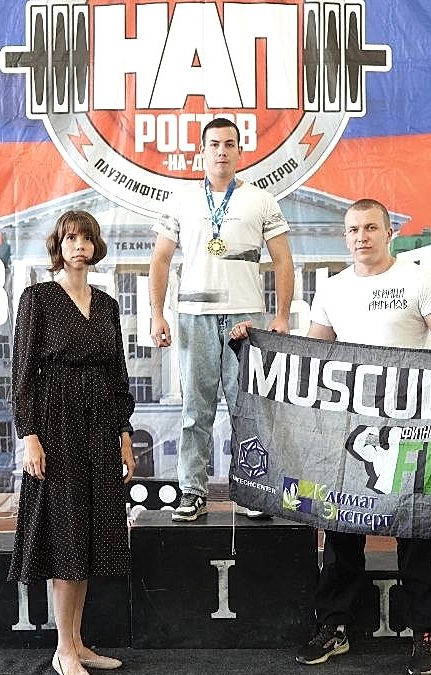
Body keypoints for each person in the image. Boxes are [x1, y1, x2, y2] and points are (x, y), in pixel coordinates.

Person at [231, 198, 431, 675]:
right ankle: (333, 626)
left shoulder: (418, 279)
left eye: (371, 228)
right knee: (339, 526)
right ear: (345, 236)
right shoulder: (333, 288)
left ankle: (425, 632)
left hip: (411, 428)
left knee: (415, 531)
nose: (361, 237)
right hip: (347, 430)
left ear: (388, 233)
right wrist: (257, 345)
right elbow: (310, 355)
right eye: (354, 229)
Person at [7, 209, 137, 675]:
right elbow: (23, 372)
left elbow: (117, 373)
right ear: (58, 247)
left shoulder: (107, 305)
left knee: (87, 537)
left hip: (99, 427)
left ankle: (77, 642)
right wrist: (29, 435)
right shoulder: (38, 298)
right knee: (65, 538)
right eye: (70, 238)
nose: (78, 246)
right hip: (55, 425)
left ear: (96, 246)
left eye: (86, 239)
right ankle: (63, 652)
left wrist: (124, 434)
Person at [148, 116, 295, 522]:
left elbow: (283, 260)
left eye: (229, 144)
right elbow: (160, 259)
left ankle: (252, 491)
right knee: (195, 411)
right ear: (202, 151)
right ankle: (191, 492)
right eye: (214, 144)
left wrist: (282, 315)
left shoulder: (262, 200)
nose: (222, 152)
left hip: (245, 318)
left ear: (240, 151)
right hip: (193, 316)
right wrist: (157, 314)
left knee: (247, 409)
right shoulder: (181, 200)